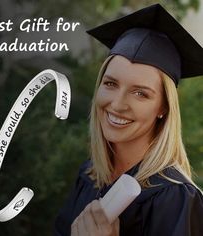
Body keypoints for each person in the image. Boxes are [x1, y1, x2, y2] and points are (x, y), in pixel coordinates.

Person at [54, 3, 203, 236]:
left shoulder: (174, 198)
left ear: (163, 108)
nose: (117, 104)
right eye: (111, 84)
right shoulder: (92, 173)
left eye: (140, 93)